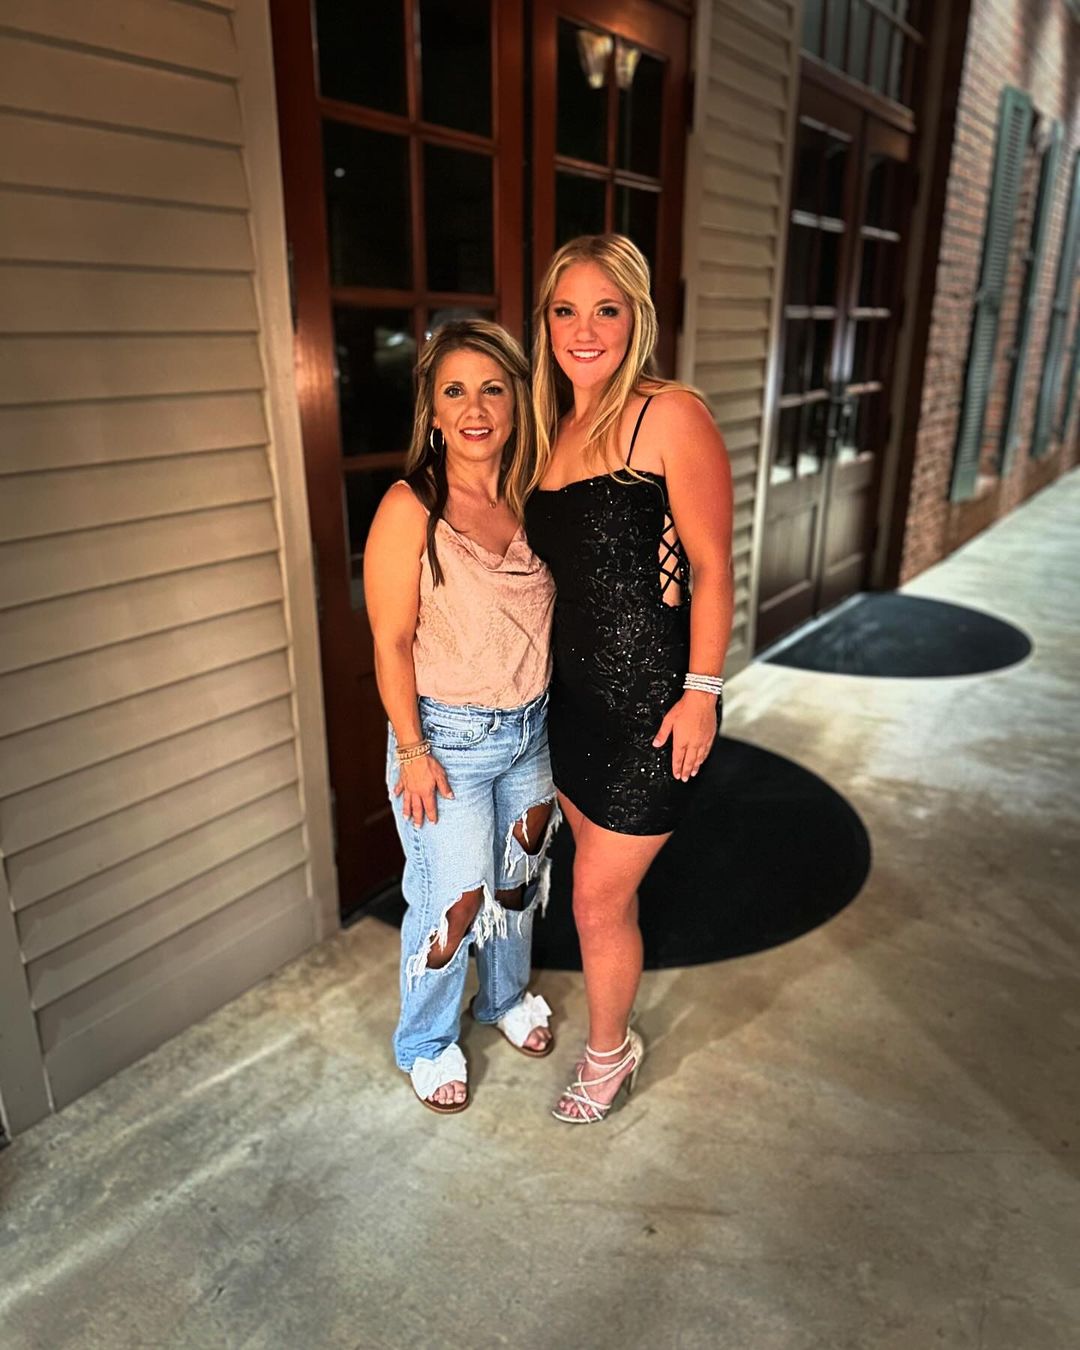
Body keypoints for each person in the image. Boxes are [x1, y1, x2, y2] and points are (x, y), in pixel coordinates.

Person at [524, 234, 734, 1124]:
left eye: (605, 309)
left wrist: (703, 693)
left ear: (637, 318)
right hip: (570, 706)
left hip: (652, 711)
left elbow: (713, 568)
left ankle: (610, 1054)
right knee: (600, 891)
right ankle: (617, 1033)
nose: (584, 330)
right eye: (566, 310)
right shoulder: (547, 429)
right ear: (545, 323)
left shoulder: (670, 415)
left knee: (594, 898)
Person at [364, 320, 558, 1114]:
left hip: (531, 732)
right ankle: (426, 1042)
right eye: (455, 391)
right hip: (445, 743)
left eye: (492, 390)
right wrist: (412, 751)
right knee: (456, 901)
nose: (475, 409)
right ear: (434, 411)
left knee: (518, 882)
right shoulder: (410, 507)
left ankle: (503, 998)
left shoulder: (535, 496)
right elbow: (390, 641)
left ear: (515, 402)